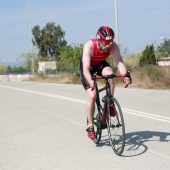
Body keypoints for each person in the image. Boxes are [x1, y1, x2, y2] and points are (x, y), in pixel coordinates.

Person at [80, 26, 131, 139]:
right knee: (92, 95)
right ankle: (90, 125)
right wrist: (90, 81)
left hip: (100, 64)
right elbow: (85, 69)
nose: (108, 45)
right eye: (106, 42)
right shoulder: (89, 46)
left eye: (110, 41)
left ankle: (110, 102)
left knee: (110, 74)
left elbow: (120, 63)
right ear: (99, 40)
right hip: (88, 68)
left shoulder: (113, 46)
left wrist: (125, 76)